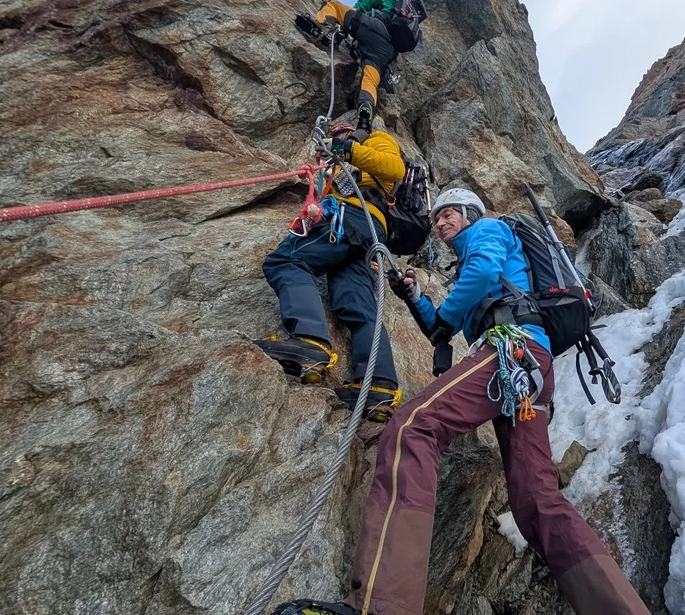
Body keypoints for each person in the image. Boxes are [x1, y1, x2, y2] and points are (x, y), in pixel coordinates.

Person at [271, 189, 649, 615]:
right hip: (529, 372)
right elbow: (442, 325)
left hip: (510, 350)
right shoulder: (472, 262)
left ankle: (382, 606)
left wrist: (448, 316)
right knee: (537, 499)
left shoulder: (489, 230)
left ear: (469, 214)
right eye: (436, 218)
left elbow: (482, 276)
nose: (440, 223)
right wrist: (414, 295)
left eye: (448, 214)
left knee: (413, 427)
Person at [255, 121, 405, 423]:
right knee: (356, 303)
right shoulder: (336, 170)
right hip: (365, 233)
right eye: (332, 137)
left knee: (285, 261)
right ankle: (379, 385)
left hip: (352, 216)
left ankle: (310, 341)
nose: (333, 140)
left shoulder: (376, 140)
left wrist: (349, 149)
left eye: (340, 134)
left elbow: (394, 169)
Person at [305, 0, 412, 133]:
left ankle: (323, 27)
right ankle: (365, 108)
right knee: (370, 79)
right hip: (386, 51)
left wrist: (345, 28)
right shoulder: (403, 18)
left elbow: (360, 7)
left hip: (375, 29)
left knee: (334, 6)